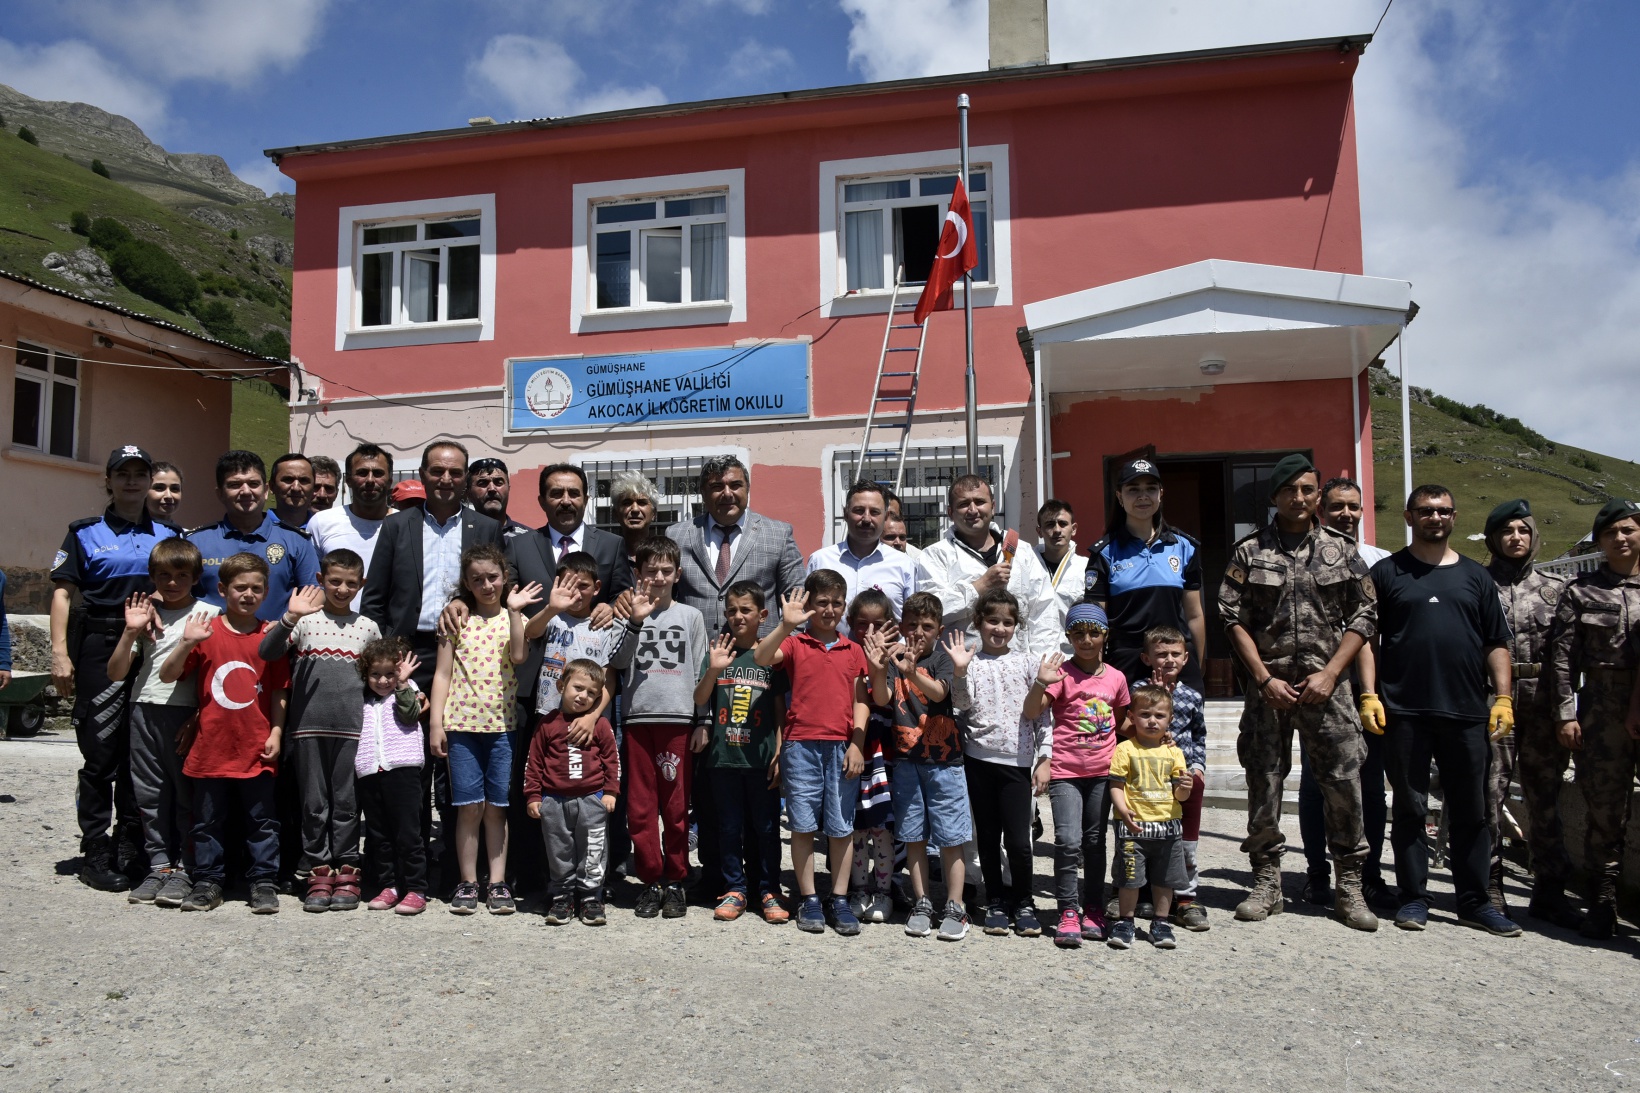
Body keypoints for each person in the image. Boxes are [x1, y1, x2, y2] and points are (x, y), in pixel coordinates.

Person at [1216, 453, 1378, 931]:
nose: (1300, 498)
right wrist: (1263, 679)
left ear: (1317, 495)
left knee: (1343, 784)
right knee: (1263, 780)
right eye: (1291, 490)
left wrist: (1332, 673)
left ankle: (1349, 885)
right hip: (1270, 691)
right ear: (1275, 496)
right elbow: (1230, 616)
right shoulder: (1249, 551)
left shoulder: (1342, 551)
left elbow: (1364, 615)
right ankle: (1267, 882)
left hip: (1327, 689)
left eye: (1308, 490)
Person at [1358, 484, 1519, 937]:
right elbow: (1368, 639)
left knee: (1471, 810)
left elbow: (1496, 642)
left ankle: (1475, 901)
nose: (1435, 518)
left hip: (1467, 710)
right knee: (1409, 808)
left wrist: (1502, 697)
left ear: (1454, 517)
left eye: (1443, 511)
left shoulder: (1476, 577)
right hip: (1403, 710)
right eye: (1426, 511)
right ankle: (1413, 898)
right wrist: (1369, 693)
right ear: (1409, 517)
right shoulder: (1388, 573)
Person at [359, 440, 503, 888]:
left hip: (468, 655)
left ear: (465, 479)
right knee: (409, 765)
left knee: (458, 762)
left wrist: (461, 600)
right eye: (437, 472)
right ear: (422, 475)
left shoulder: (485, 526)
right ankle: (412, 867)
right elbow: (376, 597)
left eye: (455, 473)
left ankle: (462, 871)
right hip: (408, 654)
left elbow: (491, 585)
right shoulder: (397, 526)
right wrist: (386, 658)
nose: (446, 480)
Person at [51, 444, 182, 891]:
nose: (131, 482)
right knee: (99, 751)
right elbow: (64, 594)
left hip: (147, 646)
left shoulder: (167, 534)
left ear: (150, 481)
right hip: (98, 644)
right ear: (107, 481)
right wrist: (59, 653)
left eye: (139, 474)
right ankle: (95, 848)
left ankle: (130, 843)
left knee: (137, 753)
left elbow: (176, 586)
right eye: (122, 474)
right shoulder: (84, 532)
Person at [157, 552, 290, 914]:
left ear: (266, 592)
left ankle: (263, 882)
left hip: (255, 746)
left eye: (256, 589)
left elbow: (279, 689)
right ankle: (208, 881)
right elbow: (168, 675)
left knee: (262, 821)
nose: (248, 595)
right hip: (211, 747)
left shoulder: (271, 637)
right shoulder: (206, 632)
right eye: (240, 588)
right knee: (206, 821)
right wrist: (185, 642)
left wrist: (277, 732)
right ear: (221, 589)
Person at [258, 549, 383, 912]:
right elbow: (267, 653)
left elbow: (380, 677)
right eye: (334, 581)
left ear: (362, 584)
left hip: (352, 731)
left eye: (350, 583)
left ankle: (347, 868)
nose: (342, 589)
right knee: (314, 803)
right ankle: (318, 868)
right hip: (307, 729)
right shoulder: (305, 621)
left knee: (346, 803)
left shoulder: (368, 627)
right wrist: (288, 618)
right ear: (320, 581)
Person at [1544, 498, 1640, 940]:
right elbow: (1562, 660)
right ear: (1599, 542)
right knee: (1604, 808)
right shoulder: (1581, 591)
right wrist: (1566, 714)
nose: (1621, 538)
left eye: (1629, 529)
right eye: (1612, 533)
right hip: (1601, 708)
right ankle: (1602, 901)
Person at [754, 573, 870, 936]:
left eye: (837, 602)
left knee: (840, 826)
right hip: (800, 745)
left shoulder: (853, 650)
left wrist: (857, 743)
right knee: (802, 826)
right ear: (809, 605)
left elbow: (861, 701)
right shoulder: (795, 643)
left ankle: (838, 897)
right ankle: (808, 898)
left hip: (841, 746)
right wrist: (786, 624)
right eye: (822, 602)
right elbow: (761, 657)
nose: (829, 609)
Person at [105, 538, 218, 906]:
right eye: (164, 575)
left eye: (182, 575)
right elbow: (116, 672)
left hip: (187, 714)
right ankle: (159, 865)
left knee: (187, 795)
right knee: (149, 793)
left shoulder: (209, 615)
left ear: (196, 577)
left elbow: (215, 677)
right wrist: (130, 632)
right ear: (153, 576)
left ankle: (187, 867)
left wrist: (201, 715)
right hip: (144, 708)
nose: (172, 583)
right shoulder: (144, 613)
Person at [1297, 476, 1393, 910]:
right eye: (1337, 507)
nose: (1346, 515)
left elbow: (1372, 628)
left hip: (1366, 691)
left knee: (1368, 786)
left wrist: (1369, 691)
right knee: (1317, 785)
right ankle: (1317, 874)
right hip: (1318, 689)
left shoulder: (1381, 562)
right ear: (1321, 509)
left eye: (1353, 507)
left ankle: (1366, 876)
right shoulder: (1306, 555)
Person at [428, 545, 539, 916]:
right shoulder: (455, 621)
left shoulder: (513, 619)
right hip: (460, 727)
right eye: (477, 579)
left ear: (504, 577)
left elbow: (520, 657)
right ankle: (467, 882)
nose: (486, 584)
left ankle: (497, 883)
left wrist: (515, 612)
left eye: (493, 577)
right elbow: (442, 674)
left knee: (496, 808)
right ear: (466, 583)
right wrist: (435, 723)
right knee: (468, 807)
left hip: (502, 728)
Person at [1482, 498, 1576, 926]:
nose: (1515, 538)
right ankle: (1491, 887)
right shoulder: (1478, 584)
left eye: (1523, 530)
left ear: (1534, 537)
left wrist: (1564, 711)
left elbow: (1566, 656)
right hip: (1491, 701)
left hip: (1541, 702)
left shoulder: (1556, 589)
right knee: (1489, 794)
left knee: (1545, 799)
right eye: (1507, 531)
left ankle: (1550, 891)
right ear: (1494, 539)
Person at [608, 537, 710, 920]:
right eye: (651, 571)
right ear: (638, 574)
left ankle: (676, 878)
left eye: (667, 571)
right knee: (641, 806)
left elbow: (702, 670)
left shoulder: (690, 617)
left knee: (677, 806)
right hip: (637, 721)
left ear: (678, 575)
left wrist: (703, 719)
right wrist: (634, 621)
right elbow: (617, 662)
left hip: (680, 722)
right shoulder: (627, 614)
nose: (659, 577)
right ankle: (650, 879)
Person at [864, 590, 969, 940]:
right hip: (908, 764)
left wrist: (912, 672)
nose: (918, 632)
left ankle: (955, 905)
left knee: (951, 837)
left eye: (927, 626)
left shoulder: (941, 660)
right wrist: (879, 669)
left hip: (945, 764)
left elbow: (940, 693)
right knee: (913, 836)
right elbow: (882, 698)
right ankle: (922, 901)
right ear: (901, 626)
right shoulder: (894, 661)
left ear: (938, 630)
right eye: (912, 625)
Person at [1024, 603, 1130, 947]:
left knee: (1095, 843)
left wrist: (1159, 734)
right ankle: (1068, 910)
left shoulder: (1116, 678)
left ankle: (1094, 909)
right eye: (1078, 633)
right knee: (1068, 842)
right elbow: (1031, 711)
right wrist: (1041, 681)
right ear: (1069, 636)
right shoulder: (1062, 674)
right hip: (1066, 772)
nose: (1086, 639)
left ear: (1105, 636)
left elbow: (1122, 721)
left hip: (1104, 774)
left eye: (1094, 632)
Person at [949, 587, 1052, 937]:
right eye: (992, 620)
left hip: (1018, 764)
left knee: (1020, 842)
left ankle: (1023, 901)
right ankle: (994, 900)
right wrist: (960, 673)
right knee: (988, 838)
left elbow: (1041, 717)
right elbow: (961, 706)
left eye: (1008, 622)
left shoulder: (1028, 663)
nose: (1000, 628)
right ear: (979, 622)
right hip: (978, 761)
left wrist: (1044, 758)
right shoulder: (970, 662)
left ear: (1016, 627)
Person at [691, 583, 788, 924]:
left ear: (763, 615)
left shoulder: (772, 658)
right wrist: (714, 670)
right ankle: (735, 888)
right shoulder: (717, 654)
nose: (737, 616)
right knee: (728, 827)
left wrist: (780, 751)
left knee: (765, 828)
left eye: (745, 610)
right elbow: (701, 698)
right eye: (732, 610)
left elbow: (780, 712)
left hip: (760, 760)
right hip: (723, 760)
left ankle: (769, 889)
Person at [1084, 458, 1207, 691]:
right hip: (1126, 663)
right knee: (1128, 728)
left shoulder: (1184, 547)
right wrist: (1096, 669)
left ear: (1161, 494)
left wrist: (1196, 665)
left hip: (1175, 661)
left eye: (1150, 488)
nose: (1143, 496)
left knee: (1184, 727)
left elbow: (1194, 615)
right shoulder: (1104, 553)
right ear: (1119, 496)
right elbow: (1095, 620)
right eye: (1133, 489)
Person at [525, 658, 620, 927]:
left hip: (593, 798)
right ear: (561, 685)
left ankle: (591, 898)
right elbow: (534, 762)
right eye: (578, 688)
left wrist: (610, 792)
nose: (583, 696)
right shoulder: (547, 724)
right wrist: (533, 795)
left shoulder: (599, 725)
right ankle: (562, 896)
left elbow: (612, 760)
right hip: (553, 802)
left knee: (593, 849)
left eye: (591, 693)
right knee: (559, 851)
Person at [920, 475, 1060, 656]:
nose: (972, 510)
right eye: (963, 504)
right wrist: (980, 586)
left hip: (1018, 668)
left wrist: (1042, 665)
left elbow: (1043, 612)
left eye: (980, 502)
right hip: (961, 670)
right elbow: (930, 614)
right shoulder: (934, 555)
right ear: (950, 512)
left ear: (993, 507)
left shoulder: (1022, 551)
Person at [669, 455, 805, 638]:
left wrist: (781, 650)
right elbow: (662, 597)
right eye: (717, 487)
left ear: (747, 489)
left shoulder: (778, 534)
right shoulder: (677, 535)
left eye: (735, 485)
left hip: (759, 661)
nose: (727, 493)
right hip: (696, 658)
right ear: (703, 492)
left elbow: (796, 599)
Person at [1106, 683, 1193, 951]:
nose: (1152, 721)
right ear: (1132, 717)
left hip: (1167, 828)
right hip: (1133, 828)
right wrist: (1122, 810)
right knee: (1129, 879)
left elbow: (1180, 796)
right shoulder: (1125, 749)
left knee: (1164, 880)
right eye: (1145, 715)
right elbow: (1116, 784)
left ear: (1170, 719)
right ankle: (1126, 921)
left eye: (1159, 716)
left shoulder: (1174, 752)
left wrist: (1185, 788)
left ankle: (1161, 922)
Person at [188, 451, 320, 624]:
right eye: (235, 485)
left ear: (265, 490)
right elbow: (171, 587)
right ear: (219, 493)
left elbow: (316, 595)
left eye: (253, 484)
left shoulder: (296, 541)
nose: (246, 491)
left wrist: (289, 625)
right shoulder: (196, 542)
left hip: (276, 644)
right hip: (210, 644)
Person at [1139, 625, 1209, 931]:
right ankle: (1136, 892)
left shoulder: (1192, 696)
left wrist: (1199, 768)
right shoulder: (1137, 692)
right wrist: (1159, 699)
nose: (1168, 659)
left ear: (1185, 658)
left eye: (1174, 654)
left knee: (1184, 842)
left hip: (1183, 777)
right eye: (1161, 654)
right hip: (1147, 778)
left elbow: (1198, 736)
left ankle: (1185, 898)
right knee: (1142, 837)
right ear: (1147, 658)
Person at [353, 636, 428, 916]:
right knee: (379, 835)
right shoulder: (362, 700)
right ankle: (389, 885)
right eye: (375, 674)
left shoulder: (406, 690)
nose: (383, 680)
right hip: (370, 773)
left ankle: (416, 888)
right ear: (366, 674)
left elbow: (410, 715)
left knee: (408, 834)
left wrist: (403, 683)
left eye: (390, 674)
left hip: (402, 770)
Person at [843, 589, 897, 923]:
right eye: (862, 624)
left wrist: (878, 667)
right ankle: (858, 889)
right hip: (850, 746)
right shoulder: (846, 652)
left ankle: (884, 890)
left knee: (881, 826)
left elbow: (882, 697)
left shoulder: (897, 655)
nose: (870, 631)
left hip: (882, 750)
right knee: (855, 826)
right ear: (850, 624)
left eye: (878, 624)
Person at [806, 479, 919, 627]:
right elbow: (804, 615)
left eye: (874, 512)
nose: (866, 519)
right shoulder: (820, 561)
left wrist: (902, 645)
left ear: (885, 517)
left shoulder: (904, 564)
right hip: (827, 650)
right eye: (859, 511)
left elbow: (914, 620)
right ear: (846, 514)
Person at [308, 443, 394, 610]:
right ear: (348, 480)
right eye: (362, 473)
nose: (370, 480)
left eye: (378, 473)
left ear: (390, 480)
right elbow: (311, 583)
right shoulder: (322, 522)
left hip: (388, 630)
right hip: (332, 629)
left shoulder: (404, 523)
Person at [1036, 499, 1087, 637]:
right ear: (1039, 531)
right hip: (1035, 652)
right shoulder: (1028, 566)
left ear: (1074, 529)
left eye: (1063, 524)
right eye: (1050, 524)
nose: (1057, 530)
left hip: (1073, 652)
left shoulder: (1086, 568)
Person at [468, 457, 532, 541]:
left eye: (498, 482)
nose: (492, 489)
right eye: (483, 483)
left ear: (508, 489)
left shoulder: (529, 538)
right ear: (468, 493)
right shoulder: (459, 536)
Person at [609, 470, 660, 567]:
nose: (635, 509)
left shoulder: (664, 555)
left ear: (654, 513)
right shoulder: (607, 555)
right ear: (615, 514)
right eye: (627, 503)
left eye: (642, 503)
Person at [268, 453, 316, 530]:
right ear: (272, 486)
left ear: (313, 488)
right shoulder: (256, 527)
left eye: (304, 480)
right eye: (288, 479)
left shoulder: (322, 530)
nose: (296, 488)